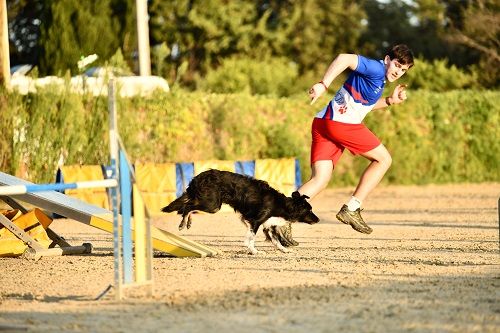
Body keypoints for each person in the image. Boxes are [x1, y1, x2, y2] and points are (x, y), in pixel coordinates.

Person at [278, 44, 414, 242]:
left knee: (320, 179)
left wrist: (390, 101)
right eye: (397, 65)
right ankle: (352, 208)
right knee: (384, 160)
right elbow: (344, 58)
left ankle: (282, 220)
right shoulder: (376, 68)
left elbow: (362, 106)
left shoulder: (378, 80)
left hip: (323, 123)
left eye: (403, 70)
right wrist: (323, 84)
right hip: (340, 125)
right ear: (387, 60)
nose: (398, 71)